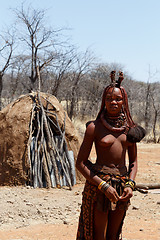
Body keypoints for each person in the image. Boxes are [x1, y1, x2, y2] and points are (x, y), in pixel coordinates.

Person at [76, 71, 146, 240]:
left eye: (117, 99)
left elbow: (134, 162)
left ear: (124, 101)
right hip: (98, 187)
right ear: (103, 101)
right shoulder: (94, 127)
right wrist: (103, 186)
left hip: (122, 186)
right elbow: (80, 163)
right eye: (109, 98)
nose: (113, 102)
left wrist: (130, 184)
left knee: (114, 235)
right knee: (97, 235)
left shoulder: (130, 130)